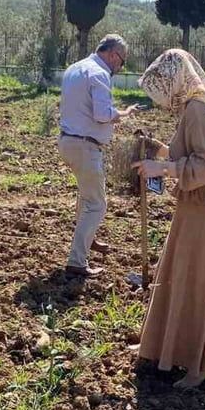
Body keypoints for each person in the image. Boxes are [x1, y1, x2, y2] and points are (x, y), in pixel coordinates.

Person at [132, 49, 205, 388]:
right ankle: (178, 352)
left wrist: (162, 168)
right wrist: (160, 149)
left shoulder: (197, 110)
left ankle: (198, 365)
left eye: (161, 89)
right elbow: (199, 154)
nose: (162, 99)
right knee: (187, 277)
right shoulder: (201, 105)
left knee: (197, 282)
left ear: (174, 81)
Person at [57, 34, 142, 277]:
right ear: (113, 54)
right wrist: (123, 113)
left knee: (86, 196)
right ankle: (77, 261)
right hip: (85, 145)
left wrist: (121, 112)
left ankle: (88, 238)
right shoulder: (99, 73)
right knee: (97, 204)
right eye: (122, 61)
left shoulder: (75, 68)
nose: (119, 67)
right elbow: (102, 114)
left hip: (67, 141)